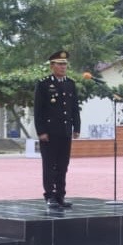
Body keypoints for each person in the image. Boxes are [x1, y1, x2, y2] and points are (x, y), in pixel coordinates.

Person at [34, 50, 81, 213]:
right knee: (49, 165)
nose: (63, 67)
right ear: (52, 66)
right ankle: (50, 196)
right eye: (60, 64)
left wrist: (77, 127)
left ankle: (60, 195)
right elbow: (38, 110)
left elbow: (74, 108)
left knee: (63, 165)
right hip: (49, 132)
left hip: (65, 131)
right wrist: (41, 131)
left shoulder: (70, 83)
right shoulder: (43, 84)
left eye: (65, 64)